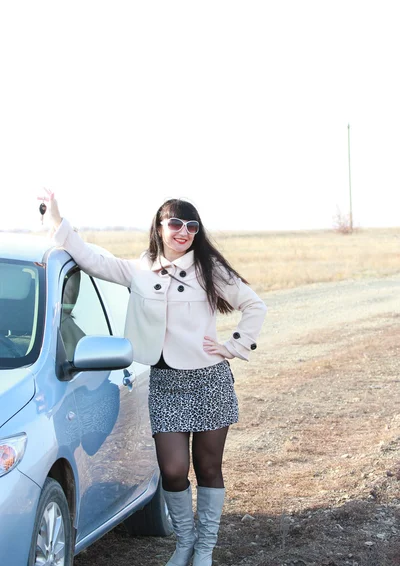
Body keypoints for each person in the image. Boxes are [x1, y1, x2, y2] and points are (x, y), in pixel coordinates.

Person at [40, 189, 267, 566]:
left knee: (209, 467)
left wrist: (233, 345)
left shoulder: (211, 270)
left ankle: (204, 549)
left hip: (209, 381)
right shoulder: (140, 270)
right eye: (176, 223)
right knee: (173, 470)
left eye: (191, 226)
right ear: (159, 228)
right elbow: (92, 259)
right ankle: (184, 541)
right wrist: (57, 222)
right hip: (165, 384)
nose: (184, 231)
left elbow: (254, 305)